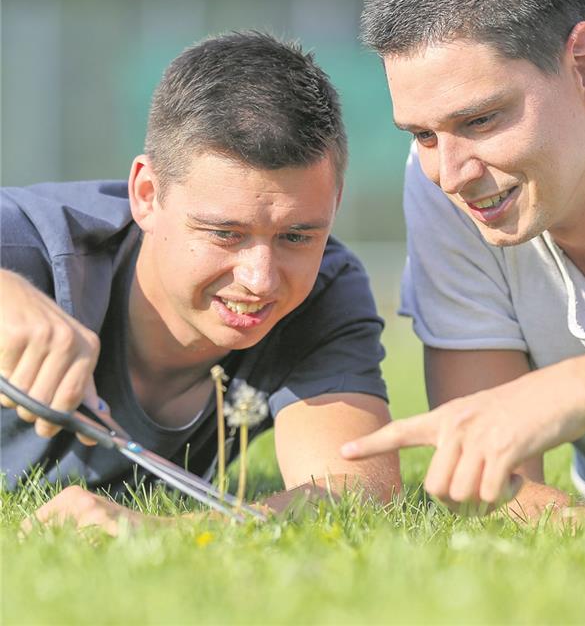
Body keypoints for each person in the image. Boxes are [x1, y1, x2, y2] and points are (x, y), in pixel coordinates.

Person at [0, 31, 400, 533]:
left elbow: (356, 492)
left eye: (296, 235)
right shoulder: (25, 245)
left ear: (334, 204)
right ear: (147, 194)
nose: (260, 279)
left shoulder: (324, 291)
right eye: (224, 234)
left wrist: (160, 530)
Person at [341, 0, 585, 535]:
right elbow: (498, 489)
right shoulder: (445, 181)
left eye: (484, 119)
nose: (452, 173)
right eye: (422, 134)